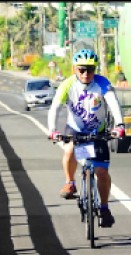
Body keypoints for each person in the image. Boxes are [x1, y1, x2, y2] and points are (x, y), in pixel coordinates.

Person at [48, 49, 125, 228]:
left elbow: (113, 103)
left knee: (102, 173)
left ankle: (104, 208)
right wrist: (53, 130)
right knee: (69, 149)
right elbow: (55, 108)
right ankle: (70, 183)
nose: (85, 74)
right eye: (81, 70)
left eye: (90, 70)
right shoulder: (67, 85)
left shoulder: (102, 83)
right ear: (75, 69)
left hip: (98, 131)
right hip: (75, 129)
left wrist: (119, 125)